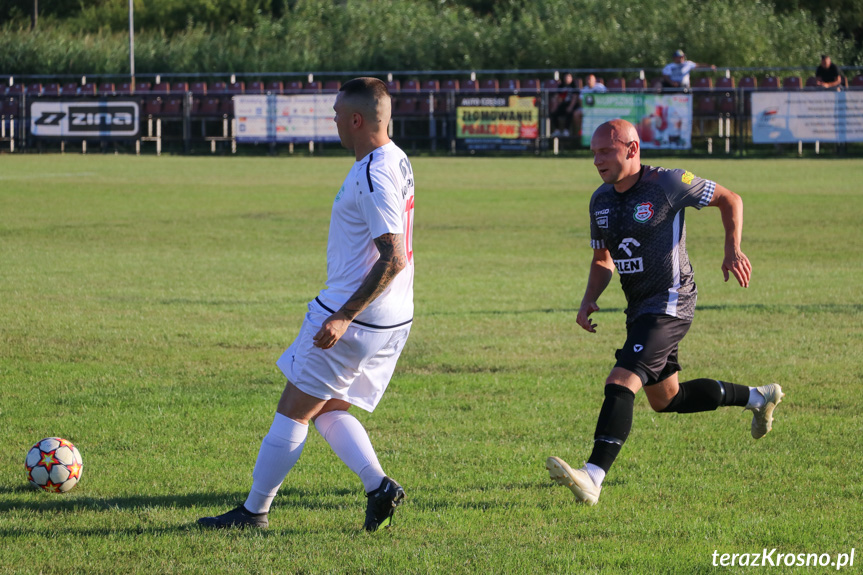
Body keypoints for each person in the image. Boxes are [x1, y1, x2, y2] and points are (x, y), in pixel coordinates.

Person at [198, 77, 416, 530]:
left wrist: (342, 316)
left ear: (356, 120)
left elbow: (392, 257)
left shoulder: (375, 172)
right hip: (393, 318)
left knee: (294, 410)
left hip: (356, 318)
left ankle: (254, 512)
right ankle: (380, 488)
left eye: (338, 112)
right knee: (330, 409)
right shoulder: (395, 158)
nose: (333, 118)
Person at [546, 119, 784, 506]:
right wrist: (589, 298)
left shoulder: (669, 183)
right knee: (666, 398)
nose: (597, 160)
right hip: (639, 309)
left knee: (622, 380)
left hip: (672, 301)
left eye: (605, 151)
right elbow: (602, 259)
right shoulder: (600, 200)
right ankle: (759, 397)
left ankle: (593, 476)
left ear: (632, 149)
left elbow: (730, 199)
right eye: (593, 153)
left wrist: (732, 248)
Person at [572, 74, 608, 139]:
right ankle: (582, 130)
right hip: (587, 109)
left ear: (594, 80)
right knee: (576, 114)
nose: (588, 81)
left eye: (590, 79)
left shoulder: (600, 87)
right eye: (587, 80)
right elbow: (580, 101)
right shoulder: (584, 89)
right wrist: (587, 109)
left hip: (599, 108)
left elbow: (606, 97)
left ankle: (603, 132)